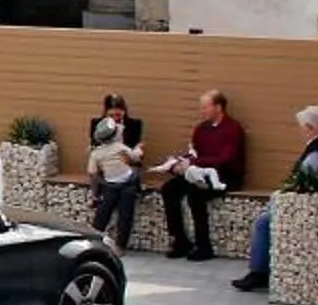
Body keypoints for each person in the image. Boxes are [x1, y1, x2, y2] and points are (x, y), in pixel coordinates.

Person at [234, 105, 318, 292]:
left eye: (301, 128)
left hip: (305, 205)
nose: (300, 132)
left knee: (263, 222)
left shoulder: (316, 152)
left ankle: (258, 271)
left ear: (309, 128)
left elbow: (303, 181)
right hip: (305, 202)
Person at [154, 89, 247, 262]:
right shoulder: (201, 129)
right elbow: (194, 153)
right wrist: (179, 163)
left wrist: (195, 163)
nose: (202, 111)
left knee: (196, 195)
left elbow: (226, 159)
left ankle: (203, 246)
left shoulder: (233, 129)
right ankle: (180, 240)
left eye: (205, 107)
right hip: (199, 172)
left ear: (218, 107)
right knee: (169, 189)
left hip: (223, 176)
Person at [87, 107, 141, 251]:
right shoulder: (120, 147)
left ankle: (93, 241)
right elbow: (135, 158)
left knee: (102, 214)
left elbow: (92, 173)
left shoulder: (96, 153)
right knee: (125, 216)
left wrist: (95, 193)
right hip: (128, 184)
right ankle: (120, 247)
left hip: (110, 185)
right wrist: (138, 150)